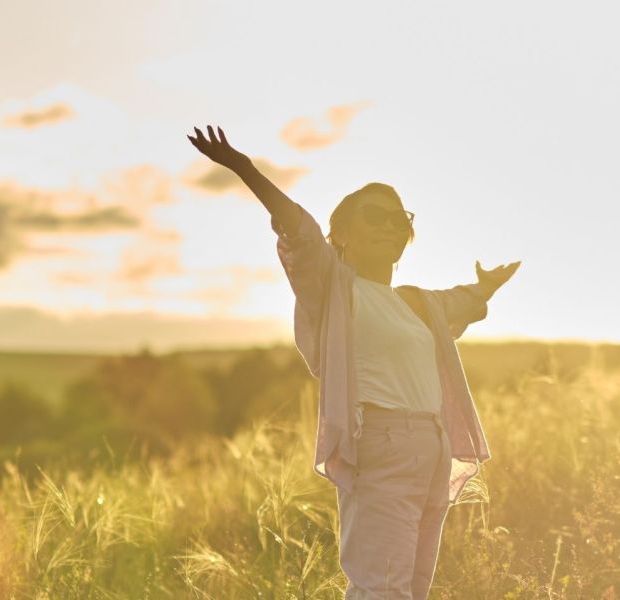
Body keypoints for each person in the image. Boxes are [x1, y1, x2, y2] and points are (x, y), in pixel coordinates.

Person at [187, 125, 521, 599]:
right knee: (381, 589)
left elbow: (460, 303)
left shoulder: (416, 304)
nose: (390, 226)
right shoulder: (332, 287)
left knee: (409, 590)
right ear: (341, 233)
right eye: (375, 216)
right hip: (381, 444)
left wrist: (487, 286)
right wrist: (244, 168)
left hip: (432, 448)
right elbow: (297, 230)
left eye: (398, 218)